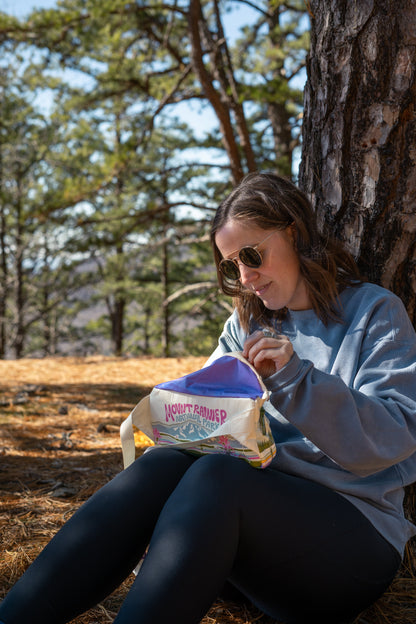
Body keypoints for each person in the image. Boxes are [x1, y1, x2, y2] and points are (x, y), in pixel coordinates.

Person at [1, 172, 416, 624]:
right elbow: (207, 431)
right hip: (245, 545)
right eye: (231, 265)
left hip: (349, 549)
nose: (245, 276)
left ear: (294, 232)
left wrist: (298, 379)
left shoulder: (375, 313)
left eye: (251, 255)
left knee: (218, 476)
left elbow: (395, 438)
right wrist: (183, 409)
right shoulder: (248, 324)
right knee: (163, 463)